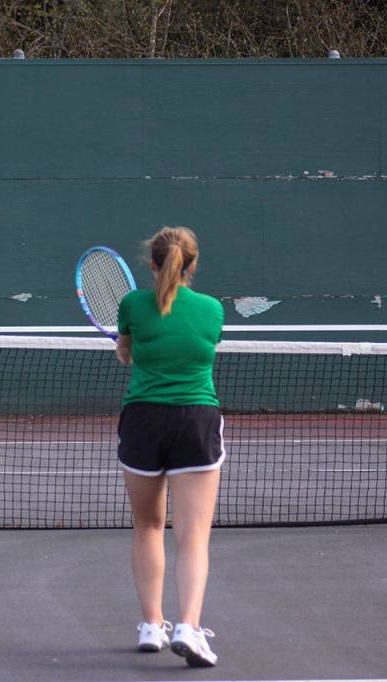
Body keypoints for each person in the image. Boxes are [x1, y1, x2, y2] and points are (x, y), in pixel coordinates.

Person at [114, 226, 225, 667]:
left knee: (147, 526)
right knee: (193, 534)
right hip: (195, 420)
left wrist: (128, 350)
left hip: (143, 420)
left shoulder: (131, 305)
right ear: (191, 265)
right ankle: (188, 628)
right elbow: (196, 352)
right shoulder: (212, 309)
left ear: (152, 262)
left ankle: (150, 625)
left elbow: (129, 353)